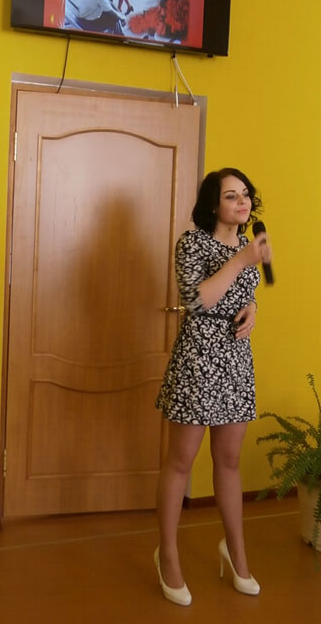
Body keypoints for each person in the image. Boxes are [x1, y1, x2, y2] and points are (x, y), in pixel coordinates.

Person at [154, 168, 272, 606]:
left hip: (236, 360)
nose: (242, 202)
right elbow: (197, 299)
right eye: (231, 196)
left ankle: (236, 553)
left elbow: (244, 292)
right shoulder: (193, 242)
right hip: (199, 359)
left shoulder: (246, 244)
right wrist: (241, 261)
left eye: (245, 194)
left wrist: (253, 307)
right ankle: (167, 555)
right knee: (180, 462)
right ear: (213, 204)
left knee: (229, 461)